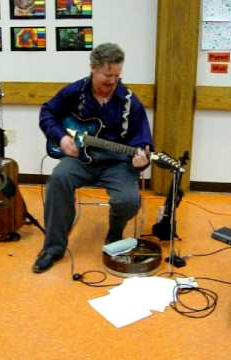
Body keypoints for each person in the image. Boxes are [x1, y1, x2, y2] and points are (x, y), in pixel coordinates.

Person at [33, 43, 153, 273]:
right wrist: (61, 139)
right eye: (107, 75)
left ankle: (115, 233)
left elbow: (142, 138)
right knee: (58, 180)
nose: (112, 81)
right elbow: (47, 112)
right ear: (93, 69)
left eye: (117, 76)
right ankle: (54, 248)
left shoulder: (129, 100)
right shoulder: (75, 91)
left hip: (117, 163)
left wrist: (142, 157)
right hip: (80, 158)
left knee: (128, 200)